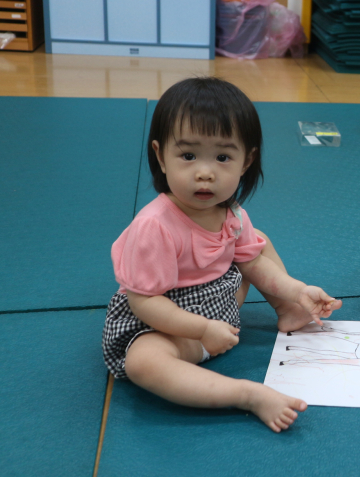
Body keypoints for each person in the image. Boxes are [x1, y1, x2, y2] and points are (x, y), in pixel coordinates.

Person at [101, 77, 342, 432]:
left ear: (247, 161)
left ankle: (288, 309)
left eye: (223, 157)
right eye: (187, 155)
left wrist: (295, 289)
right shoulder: (154, 226)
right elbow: (144, 302)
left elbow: (254, 263)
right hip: (168, 324)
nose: (204, 172)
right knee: (143, 364)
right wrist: (201, 329)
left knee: (255, 241)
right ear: (160, 156)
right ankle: (245, 394)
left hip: (221, 307)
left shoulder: (233, 213)